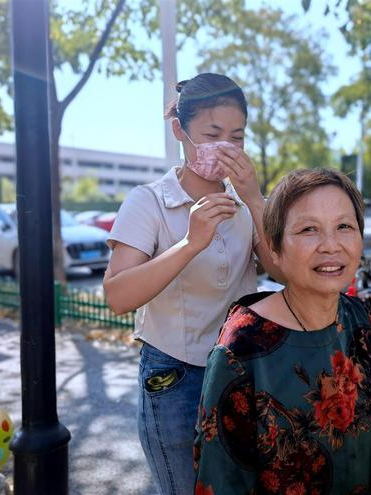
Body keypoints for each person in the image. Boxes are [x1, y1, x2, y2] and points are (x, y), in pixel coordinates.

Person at [103, 73, 281, 495]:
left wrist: (255, 199)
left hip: (241, 368)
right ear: (179, 130)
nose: (226, 146)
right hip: (174, 377)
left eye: (236, 136)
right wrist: (189, 242)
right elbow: (117, 296)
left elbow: (285, 272)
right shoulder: (148, 201)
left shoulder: (246, 204)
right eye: (213, 133)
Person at [194, 168, 371, 494]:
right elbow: (220, 482)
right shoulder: (241, 350)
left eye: (344, 227)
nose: (331, 245)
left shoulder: (365, 320)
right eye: (309, 229)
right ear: (274, 248)